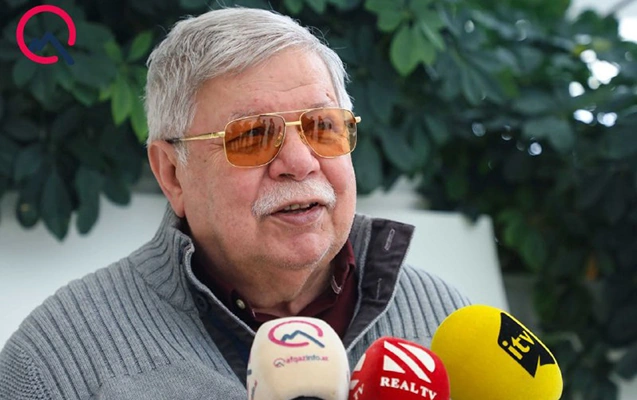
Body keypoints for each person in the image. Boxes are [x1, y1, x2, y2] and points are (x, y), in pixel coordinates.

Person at [0, 7, 470, 400]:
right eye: (252, 136)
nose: (299, 162)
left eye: (322, 126)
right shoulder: (54, 365)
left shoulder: (447, 325)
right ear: (172, 173)